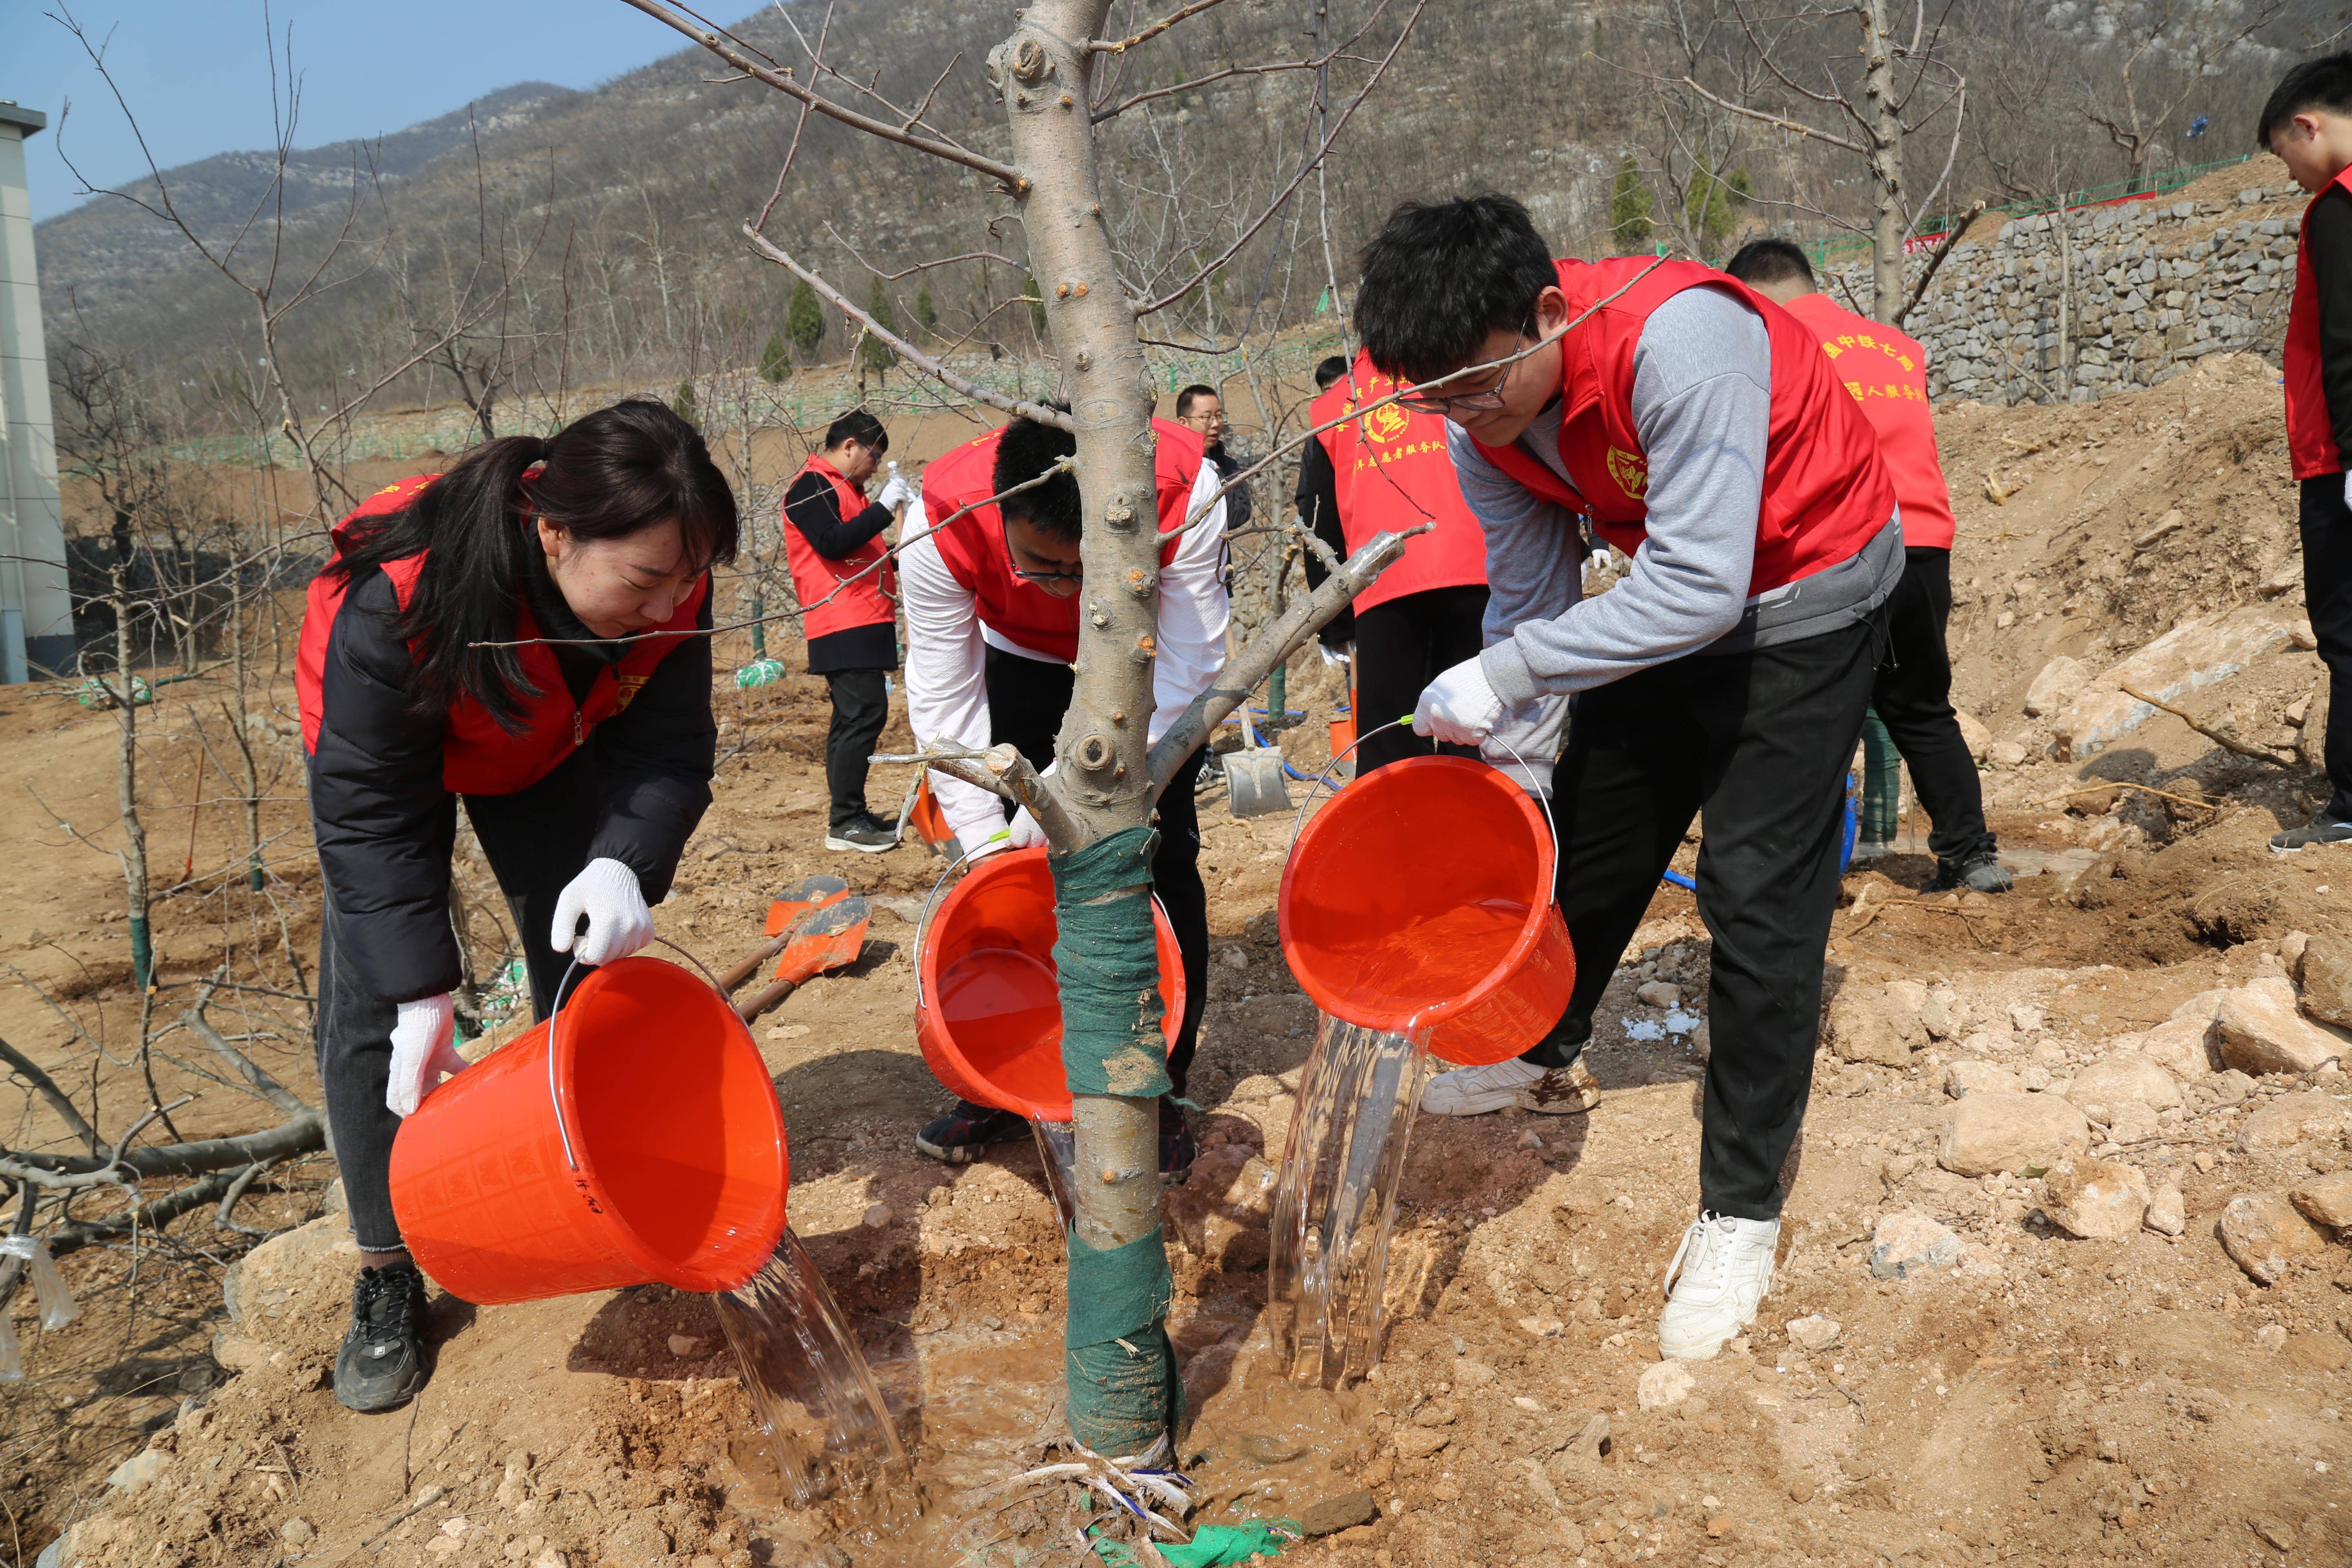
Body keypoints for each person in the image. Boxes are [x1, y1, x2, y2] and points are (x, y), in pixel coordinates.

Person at [1353, 195, 1902, 1360]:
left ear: (1549, 314)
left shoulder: (1683, 344)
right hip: (1683, 603)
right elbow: (1532, 594)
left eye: (1472, 384)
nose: (1458, 414)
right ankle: (1539, 1047)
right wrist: (1517, 731)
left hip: (1807, 590)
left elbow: (1703, 587)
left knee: (1758, 891)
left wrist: (1508, 672)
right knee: (1593, 824)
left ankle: (1740, 1212)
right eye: (1430, 396)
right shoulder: (1481, 424)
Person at [297, 400, 737, 1411]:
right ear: (554, 532)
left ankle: (609, 1185)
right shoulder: (396, 599)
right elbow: (370, 819)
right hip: (390, 748)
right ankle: (386, 1272)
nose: (668, 603)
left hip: (538, 742)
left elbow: (669, 752)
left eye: (685, 581)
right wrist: (419, 988)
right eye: (641, 581)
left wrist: (623, 861)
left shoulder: (669, 581)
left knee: (584, 955)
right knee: (375, 1005)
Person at [900, 413, 1228, 1177]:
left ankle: (1159, 1088)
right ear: (1003, 514)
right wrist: (988, 845)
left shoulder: (1186, 490)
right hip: (1018, 658)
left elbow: (1191, 669)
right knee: (1010, 873)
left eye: (1088, 569)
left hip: (1147, 660)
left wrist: (1082, 787)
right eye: (1046, 566)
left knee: (1160, 860)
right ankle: (1007, 1070)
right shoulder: (941, 519)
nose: (1071, 589)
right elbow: (947, 710)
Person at [1722, 238, 2009, 893]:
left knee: (1817, 716)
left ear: (1749, 295)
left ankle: (1804, 873)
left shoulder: (1770, 343)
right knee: (1922, 708)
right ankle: (1972, 856)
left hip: (1842, 548)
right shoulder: (1894, 346)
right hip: (1925, 543)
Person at [1296, 348, 1494, 776]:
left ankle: (1401, 834)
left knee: (1390, 743)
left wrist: (1334, 622)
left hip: (1384, 580)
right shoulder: (1457, 371)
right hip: (1477, 568)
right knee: (1476, 726)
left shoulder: (1334, 407)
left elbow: (1317, 515)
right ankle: (1481, 831)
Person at [2262, 54, 2352, 852]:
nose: (2288, 173)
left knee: (2346, 628)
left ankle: (2350, 803)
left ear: (2308, 126)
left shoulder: (2337, 207)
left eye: (2281, 153)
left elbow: (2344, 343)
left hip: (2339, 457)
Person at [783, 409, 918, 853]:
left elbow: (864, 557)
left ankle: (850, 813)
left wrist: (908, 549)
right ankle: (845, 821)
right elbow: (832, 544)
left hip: (866, 616)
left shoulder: (848, 491)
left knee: (857, 718)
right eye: (874, 456)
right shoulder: (810, 486)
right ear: (850, 446)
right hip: (841, 620)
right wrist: (883, 507)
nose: (876, 465)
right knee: (862, 717)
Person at [1176, 383, 1253, 530]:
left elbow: (1238, 516)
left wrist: (1215, 472)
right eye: (1207, 417)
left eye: (1219, 416)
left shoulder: (1229, 467)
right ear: (1183, 423)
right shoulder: (1171, 468)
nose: (1216, 424)